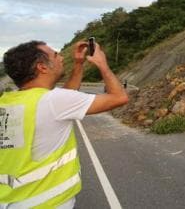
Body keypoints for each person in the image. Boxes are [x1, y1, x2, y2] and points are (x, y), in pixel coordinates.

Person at [0, 40, 128, 208]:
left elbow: (64, 98)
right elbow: (120, 97)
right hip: (45, 203)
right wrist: (102, 64)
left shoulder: (8, 103)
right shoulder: (55, 101)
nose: (61, 57)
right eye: (55, 54)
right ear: (42, 67)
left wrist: (78, 64)